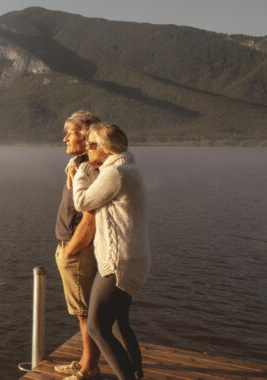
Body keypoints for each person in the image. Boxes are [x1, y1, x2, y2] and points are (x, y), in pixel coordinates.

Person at [72, 123, 151, 380]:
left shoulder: (115, 173)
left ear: (106, 148)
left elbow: (82, 201)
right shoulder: (128, 168)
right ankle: (137, 374)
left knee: (96, 327)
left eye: (91, 146)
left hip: (117, 263)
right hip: (134, 259)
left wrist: (82, 172)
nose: (88, 150)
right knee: (119, 325)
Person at [53, 111, 102, 380]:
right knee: (82, 313)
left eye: (69, 134)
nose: (64, 138)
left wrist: (71, 249)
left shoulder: (88, 168)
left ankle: (89, 370)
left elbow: (90, 218)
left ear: (85, 138)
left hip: (77, 250)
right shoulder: (78, 165)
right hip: (71, 248)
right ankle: (85, 362)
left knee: (84, 314)